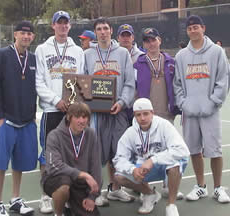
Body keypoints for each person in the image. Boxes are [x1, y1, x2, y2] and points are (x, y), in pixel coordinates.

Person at [173, 15, 230, 203]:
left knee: (215, 150)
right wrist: (184, 104)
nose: (193, 31)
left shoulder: (216, 52)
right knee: (194, 150)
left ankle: (218, 188)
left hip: (210, 112)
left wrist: (213, 101)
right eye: (190, 29)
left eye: (196, 27)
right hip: (190, 113)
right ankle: (201, 186)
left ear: (203, 29)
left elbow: (223, 80)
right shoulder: (181, 56)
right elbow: (177, 84)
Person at [35, 10, 84, 214]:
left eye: (66, 23)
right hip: (51, 109)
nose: (63, 26)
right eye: (59, 23)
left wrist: (73, 104)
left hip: (71, 111)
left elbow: (82, 80)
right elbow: (38, 81)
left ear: (70, 26)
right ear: (53, 26)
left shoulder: (78, 51)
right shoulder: (42, 49)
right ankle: (46, 195)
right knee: (49, 153)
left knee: (70, 153)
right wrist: (56, 100)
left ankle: (65, 193)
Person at [0, 21, 37, 216]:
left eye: (29, 34)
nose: (26, 36)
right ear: (15, 34)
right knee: (0, 163)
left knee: (20, 162)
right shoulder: (1, 56)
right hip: (5, 120)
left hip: (26, 120)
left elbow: (34, 88)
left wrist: (32, 115)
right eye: (22, 33)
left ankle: (15, 198)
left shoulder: (32, 59)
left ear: (32, 37)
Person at [84, 17, 135, 206]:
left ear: (111, 31)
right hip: (97, 113)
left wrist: (122, 102)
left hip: (118, 110)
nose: (103, 32)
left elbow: (130, 83)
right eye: (99, 29)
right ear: (95, 33)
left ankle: (115, 189)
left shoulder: (122, 53)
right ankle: (95, 191)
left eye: (106, 28)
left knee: (118, 151)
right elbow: (82, 82)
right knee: (96, 152)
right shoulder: (88, 54)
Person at [112, 98, 189, 216]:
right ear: (134, 115)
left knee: (175, 165)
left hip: (165, 165)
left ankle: (171, 205)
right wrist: (133, 169)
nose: (142, 118)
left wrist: (153, 160)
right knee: (119, 176)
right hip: (143, 168)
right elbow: (118, 159)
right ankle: (149, 194)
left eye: (146, 114)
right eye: (138, 115)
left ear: (152, 113)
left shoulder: (164, 125)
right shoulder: (130, 132)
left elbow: (182, 150)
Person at [134, 28, 183, 199]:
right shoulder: (138, 63)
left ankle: (167, 185)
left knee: (168, 149)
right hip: (146, 117)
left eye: (153, 39)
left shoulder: (171, 62)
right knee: (144, 151)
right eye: (147, 41)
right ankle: (146, 190)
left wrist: (176, 106)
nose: (151, 43)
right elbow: (134, 88)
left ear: (159, 40)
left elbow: (178, 85)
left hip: (166, 113)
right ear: (143, 44)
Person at [41, 102, 102, 216]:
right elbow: (54, 166)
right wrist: (83, 175)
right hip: (56, 178)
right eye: (77, 117)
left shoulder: (91, 134)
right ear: (69, 117)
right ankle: (59, 213)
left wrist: (92, 197)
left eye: (84, 117)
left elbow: (96, 167)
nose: (81, 121)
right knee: (64, 187)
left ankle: (70, 205)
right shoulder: (54, 135)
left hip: (79, 184)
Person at [117, 24, 144, 126]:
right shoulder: (112, 56)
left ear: (133, 37)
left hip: (136, 104)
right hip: (119, 104)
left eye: (128, 35)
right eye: (123, 36)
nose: (125, 39)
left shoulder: (141, 56)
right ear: (118, 38)